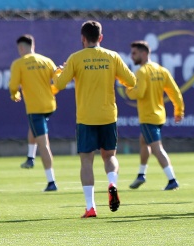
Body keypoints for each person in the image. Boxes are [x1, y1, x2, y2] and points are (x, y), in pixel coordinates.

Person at [54, 21, 136, 218]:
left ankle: (90, 207)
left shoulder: (76, 58)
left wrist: (58, 71)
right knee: (109, 156)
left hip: (86, 117)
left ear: (83, 38)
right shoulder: (112, 56)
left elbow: (60, 84)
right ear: (100, 37)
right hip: (108, 115)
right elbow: (131, 81)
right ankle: (112, 183)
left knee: (86, 161)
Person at [125, 41, 184, 191]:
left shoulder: (142, 72)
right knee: (143, 141)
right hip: (159, 116)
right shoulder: (161, 70)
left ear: (144, 53)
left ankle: (172, 179)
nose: (131, 56)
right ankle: (141, 174)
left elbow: (139, 93)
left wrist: (128, 90)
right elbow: (175, 92)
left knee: (157, 148)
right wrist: (179, 110)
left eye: (134, 53)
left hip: (148, 116)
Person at [9, 34, 60, 192]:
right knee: (35, 129)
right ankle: (30, 157)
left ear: (21, 48)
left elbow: (13, 86)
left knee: (43, 144)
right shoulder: (46, 61)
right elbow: (58, 81)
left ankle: (51, 181)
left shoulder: (19, 63)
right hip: (50, 105)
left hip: (35, 108)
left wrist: (15, 95)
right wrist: (51, 91)